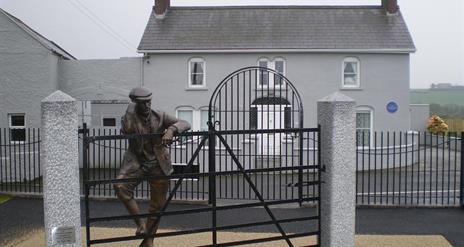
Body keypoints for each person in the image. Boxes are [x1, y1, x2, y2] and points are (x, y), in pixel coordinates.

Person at [113, 87, 190, 247]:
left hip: (158, 164)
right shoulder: (129, 117)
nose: (147, 105)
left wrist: (171, 130)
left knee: (157, 207)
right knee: (120, 186)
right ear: (135, 103)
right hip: (137, 162)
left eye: (149, 101)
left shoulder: (159, 115)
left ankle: (149, 241)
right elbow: (126, 130)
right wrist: (130, 109)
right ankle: (141, 225)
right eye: (142, 103)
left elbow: (184, 123)